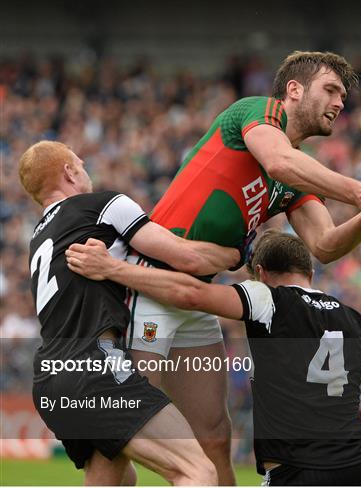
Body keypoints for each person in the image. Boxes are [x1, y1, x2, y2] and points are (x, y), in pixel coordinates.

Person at [129, 50, 361, 484]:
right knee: (125, 423)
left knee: (214, 435)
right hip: (150, 282)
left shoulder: (293, 179)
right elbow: (279, 160)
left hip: (195, 295)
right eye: (331, 89)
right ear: (295, 90)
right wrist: (358, 191)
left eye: (344, 95)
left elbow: (324, 245)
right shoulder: (257, 111)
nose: (341, 102)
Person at [66, 230, 361, 486]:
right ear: (311, 272)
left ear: (261, 273)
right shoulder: (354, 318)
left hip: (301, 473)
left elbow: (191, 293)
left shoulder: (267, 300)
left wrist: (115, 270)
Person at [19, 140, 242, 485]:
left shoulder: (38, 240)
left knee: (117, 478)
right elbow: (185, 257)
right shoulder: (102, 205)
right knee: (197, 471)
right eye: (81, 164)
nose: (85, 171)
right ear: (69, 171)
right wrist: (234, 255)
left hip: (50, 379)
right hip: (95, 368)